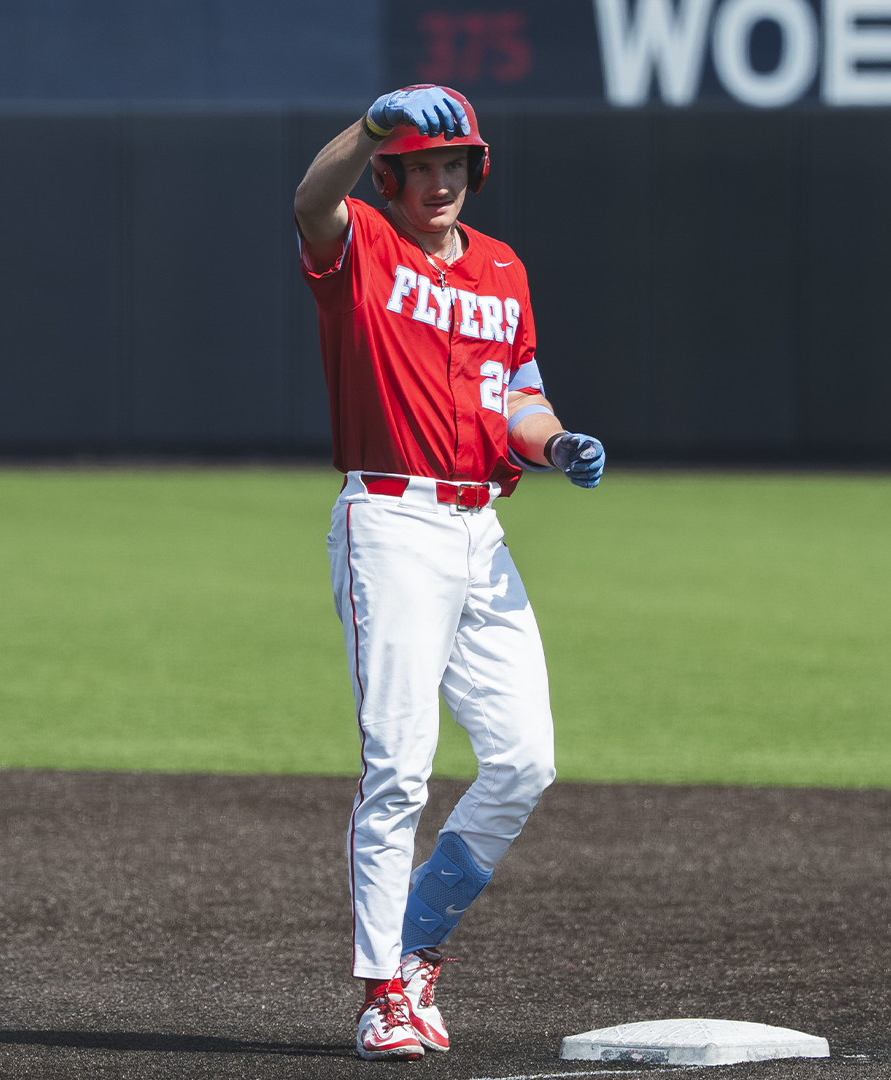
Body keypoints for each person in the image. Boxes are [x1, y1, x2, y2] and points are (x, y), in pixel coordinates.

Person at [291, 84, 608, 1061]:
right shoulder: (365, 249)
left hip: (481, 534)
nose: (438, 180)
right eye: (418, 165)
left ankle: (418, 939)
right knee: (399, 766)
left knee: (524, 759)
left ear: (473, 170)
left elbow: (520, 395)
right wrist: (369, 126)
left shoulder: (504, 268)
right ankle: (383, 993)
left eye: (451, 164)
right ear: (391, 174)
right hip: (390, 520)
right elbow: (309, 201)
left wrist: (553, 446)